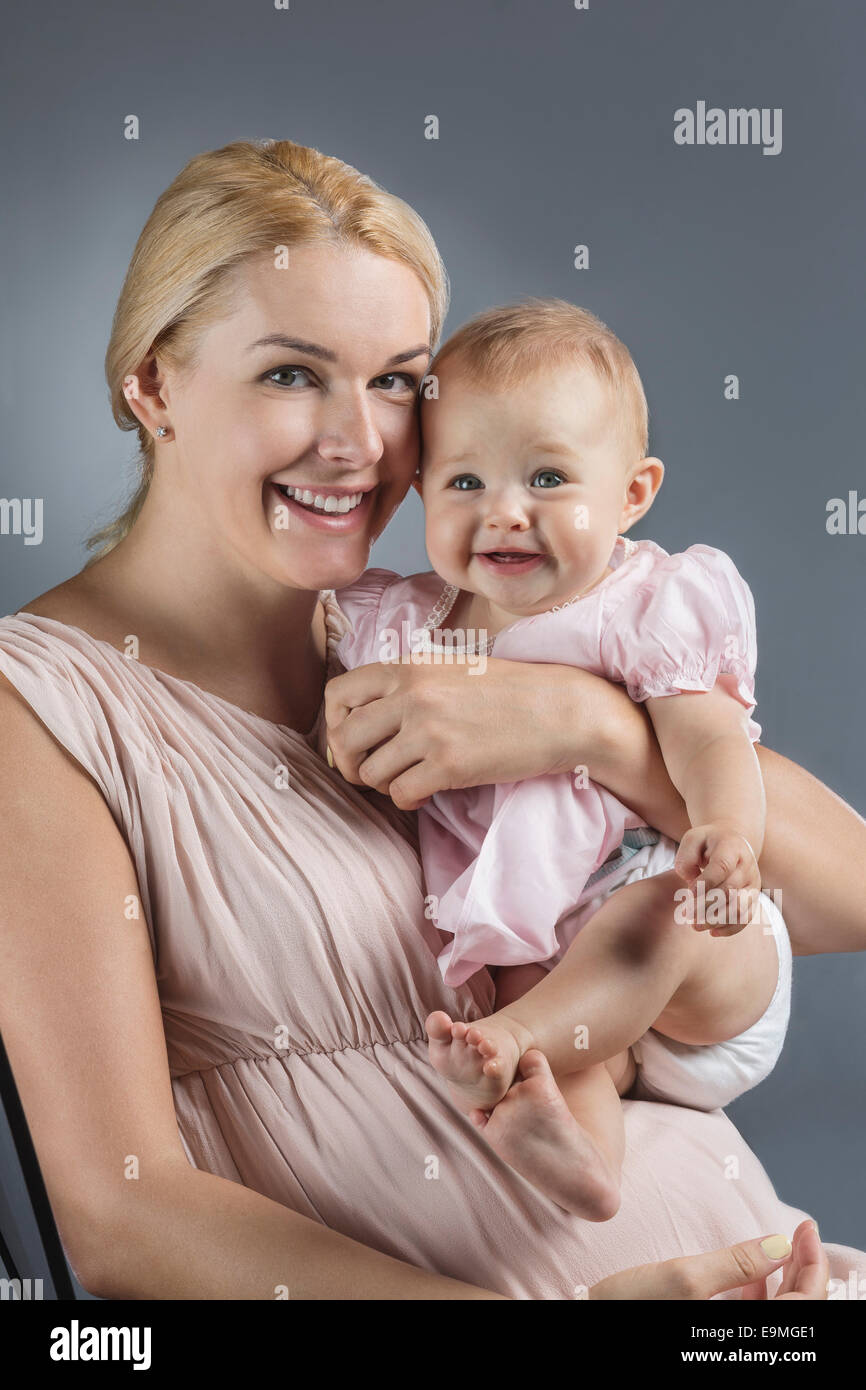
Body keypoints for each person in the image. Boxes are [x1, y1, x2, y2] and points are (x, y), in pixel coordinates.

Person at [0, 138, 862, 1300]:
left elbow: (845, 891)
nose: (361, 443)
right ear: (151, 384)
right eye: (292, 373)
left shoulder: (457, 633)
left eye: (399, 380)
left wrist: (588, 726)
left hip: (759, 1278)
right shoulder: (40, 712)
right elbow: (123, 1210)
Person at [331, 298, 787, 1221]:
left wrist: (727, 835)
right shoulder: (409, 625)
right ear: (420, 491)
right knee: (557, 1052)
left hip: (697, 946)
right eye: (465, 482)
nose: (504, 513)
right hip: (550, 967)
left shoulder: (639, 605)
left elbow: (706, 735)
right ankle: (578, 1160)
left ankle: (508, 1042)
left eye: (546, 477)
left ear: (631, 494)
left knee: (650, 920)